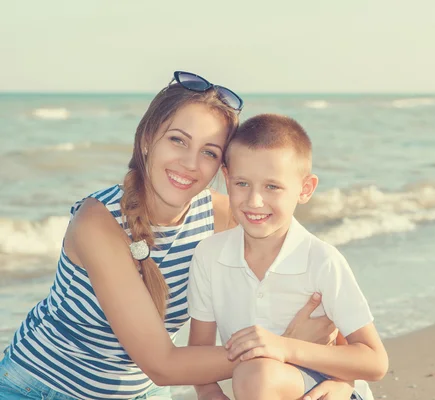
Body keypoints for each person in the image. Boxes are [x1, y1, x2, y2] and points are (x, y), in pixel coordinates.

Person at [0, 72, 354, 400]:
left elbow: (315, 288)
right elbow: (163, 364)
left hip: (145, 394)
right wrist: (282, 347)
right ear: (146, 138)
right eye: (177, 140)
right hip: (38, 388)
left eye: (209, 152)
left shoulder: (225, 215)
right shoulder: (98, 223)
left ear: (223, 167)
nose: (190, 163)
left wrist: (339, 377)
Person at [187, 114, 389, 400]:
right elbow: (199, 360)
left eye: (272, 186)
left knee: (256, 375)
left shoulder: (321, 260)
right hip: (255, 390)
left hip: (326, 391)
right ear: (226, 178)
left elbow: (375, 361)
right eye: (242, 183)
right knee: (254, 376)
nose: (254, 201)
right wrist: (209, 393)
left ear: (305, 189)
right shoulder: (209, 256)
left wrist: (285, 347)